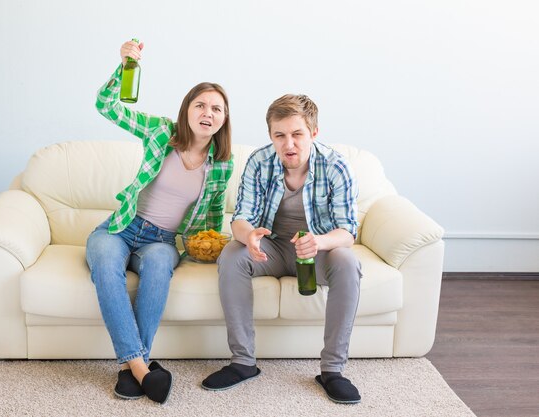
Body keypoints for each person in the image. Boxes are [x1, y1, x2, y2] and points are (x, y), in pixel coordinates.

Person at [87, 39, 233, 404]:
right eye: (200, 104)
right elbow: (106, 106)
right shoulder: (160, 132)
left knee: (157, 269)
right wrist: (125, 65)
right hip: (122, 226)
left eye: (217, 108)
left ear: (223, 119)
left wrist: (215, 248)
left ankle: (128, 369)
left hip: (163, 241)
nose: (207, 112)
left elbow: (211, 219)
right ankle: (139, 368)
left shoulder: (223, 165)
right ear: (186, 110)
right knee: (105, 263)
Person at [201, 94, 362, 404]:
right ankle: (242, 363)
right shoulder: (260, 162)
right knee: (232, 254)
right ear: (271, 135)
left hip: (318, 251)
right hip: (272, 248)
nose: (289, 144)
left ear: (313, 133)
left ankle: (332, 371)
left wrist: (319, 242)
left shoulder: (336, 166)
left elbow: (348, 231)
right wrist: (248, 235)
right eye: (280, 135)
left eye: (297, 134)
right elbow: (240, 219)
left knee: (346, 261)